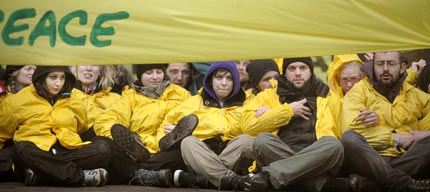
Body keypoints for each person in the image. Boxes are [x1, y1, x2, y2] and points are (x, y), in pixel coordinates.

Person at [236, 57, 343, 192]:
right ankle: (314, 182)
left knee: (333, 145)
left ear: (311, 72)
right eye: (292, 68)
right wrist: (288, 111)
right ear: (285, 73)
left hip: (316, 154)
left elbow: (340, 132)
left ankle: (269, 176)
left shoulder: (329, 96)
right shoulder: (269, 95)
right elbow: (247, 126)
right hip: (281, 151)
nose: (297, 73)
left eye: (303, 68)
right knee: (263, 140)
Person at [0, 66, 109, 186]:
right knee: (21, 149)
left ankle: (42, 176)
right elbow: (2, 131)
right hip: (35, 151)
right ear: (41, 78)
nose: (58, 83)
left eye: (62, 78)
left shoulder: (75, 100)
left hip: (65, 150)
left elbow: (81, 127)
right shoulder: (18, 100)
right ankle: (81, 177)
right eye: (53, 77)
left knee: (102, 149)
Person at [341, 51, 430, 192]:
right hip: (372, 159)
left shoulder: (416, 95)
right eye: (380, 64)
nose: (385, 69)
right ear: (373, 65)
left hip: (408, 158)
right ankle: (403, 183)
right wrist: (396, 139)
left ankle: (374, 183)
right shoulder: (358, 91)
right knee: (349, 138)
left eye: (391, 63)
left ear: (402, 67)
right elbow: (351, 129)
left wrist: (423, 135)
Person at [158, 61, 254, 189]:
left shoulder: (249, 102)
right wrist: (169, 135)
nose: (224, 83)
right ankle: (235, 180)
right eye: (219, 77)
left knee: (247, 140)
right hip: (202, 151)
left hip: (230, 151)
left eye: (229, 78)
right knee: (187, 142)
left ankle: (207, 180)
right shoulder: (192, 102)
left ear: (236, 81)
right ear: (210, 80)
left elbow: (257, 128)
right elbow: (164, 128)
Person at [93, 63, 192, 186]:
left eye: (159, 72)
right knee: (102, 142)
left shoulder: (182, 94)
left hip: (163, 150)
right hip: (133, 151)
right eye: (149, 73)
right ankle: (147, 175)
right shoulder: (130, 96)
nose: (155, 77)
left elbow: (192, 119)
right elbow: (105, 120)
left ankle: (133, 174)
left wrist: (177, 130)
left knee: (179, 154)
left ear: (164, 73)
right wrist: (125, 141)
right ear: (140, 75)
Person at [70, 65, 123, 141]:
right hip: (74, 144)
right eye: (84, 63)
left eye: (94, 64)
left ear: (101, 71)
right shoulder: (66, 96)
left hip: (109, 142)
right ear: (76, 68)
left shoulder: (116, 99)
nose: (88, 68)